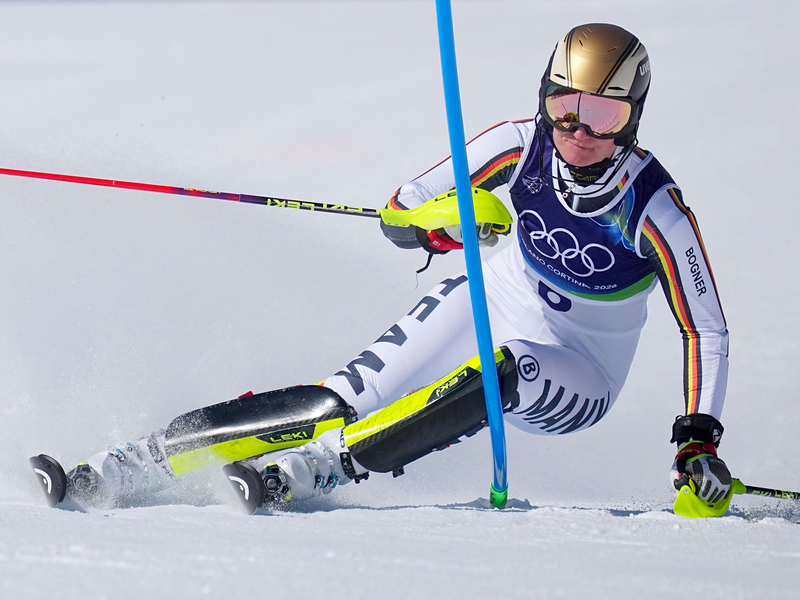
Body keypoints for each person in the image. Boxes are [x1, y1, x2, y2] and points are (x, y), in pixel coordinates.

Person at [38, 23, 732, 514]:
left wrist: (696, 442)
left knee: (507, 368)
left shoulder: (656, 210)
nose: (579, 131)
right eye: (565, 106)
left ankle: (323, 470)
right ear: (544, 97)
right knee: (338, 399)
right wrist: (453, 223)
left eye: (603, 114)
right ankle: (134, 462)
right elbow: (401, 212)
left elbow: (707, 332)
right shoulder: (515, 146)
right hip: (496, 293)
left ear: (632, 120)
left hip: (579, 367)